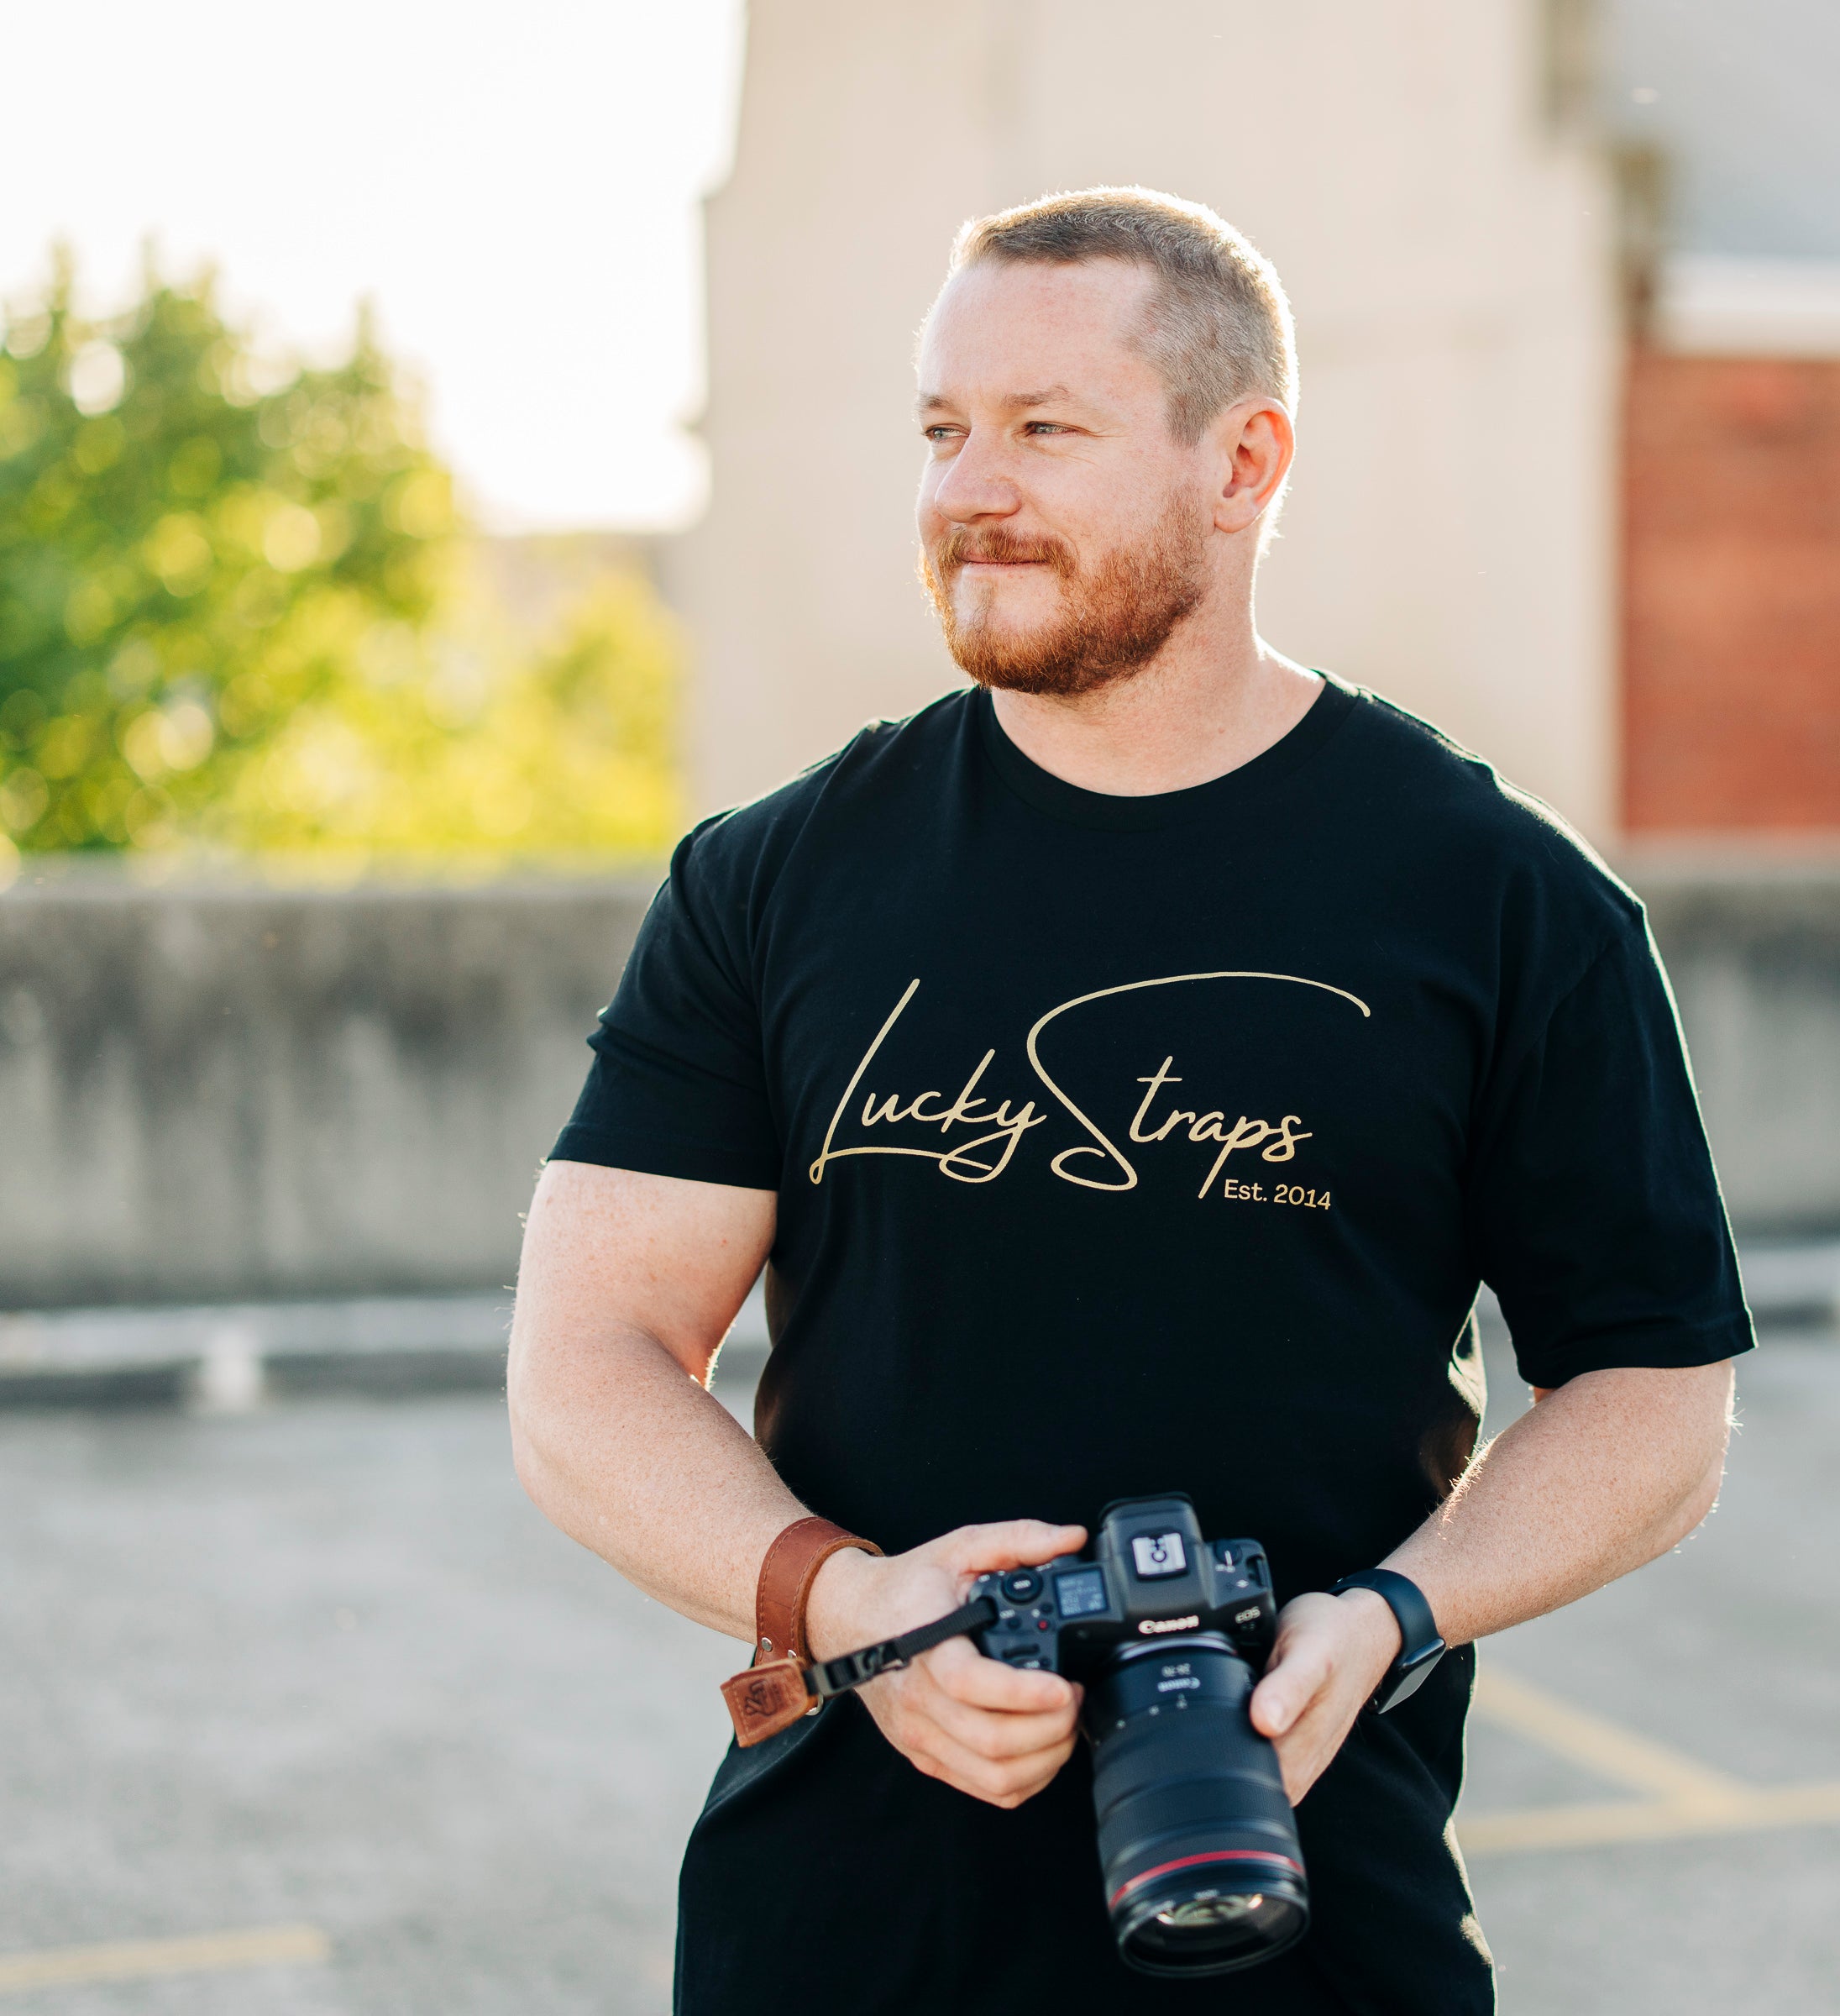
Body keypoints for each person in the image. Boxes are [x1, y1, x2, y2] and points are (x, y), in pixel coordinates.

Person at [508, 186, 1750, 2013]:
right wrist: (851, 1607)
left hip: (1308, 1910)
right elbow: (585, 1363)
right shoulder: (775, 880)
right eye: (941, 430)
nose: (962, 490)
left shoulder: (1500, 899)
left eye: (1043, 430)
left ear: (1243, 463)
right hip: (841, 1937)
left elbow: (1658, 1389)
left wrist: (1392, 1614)